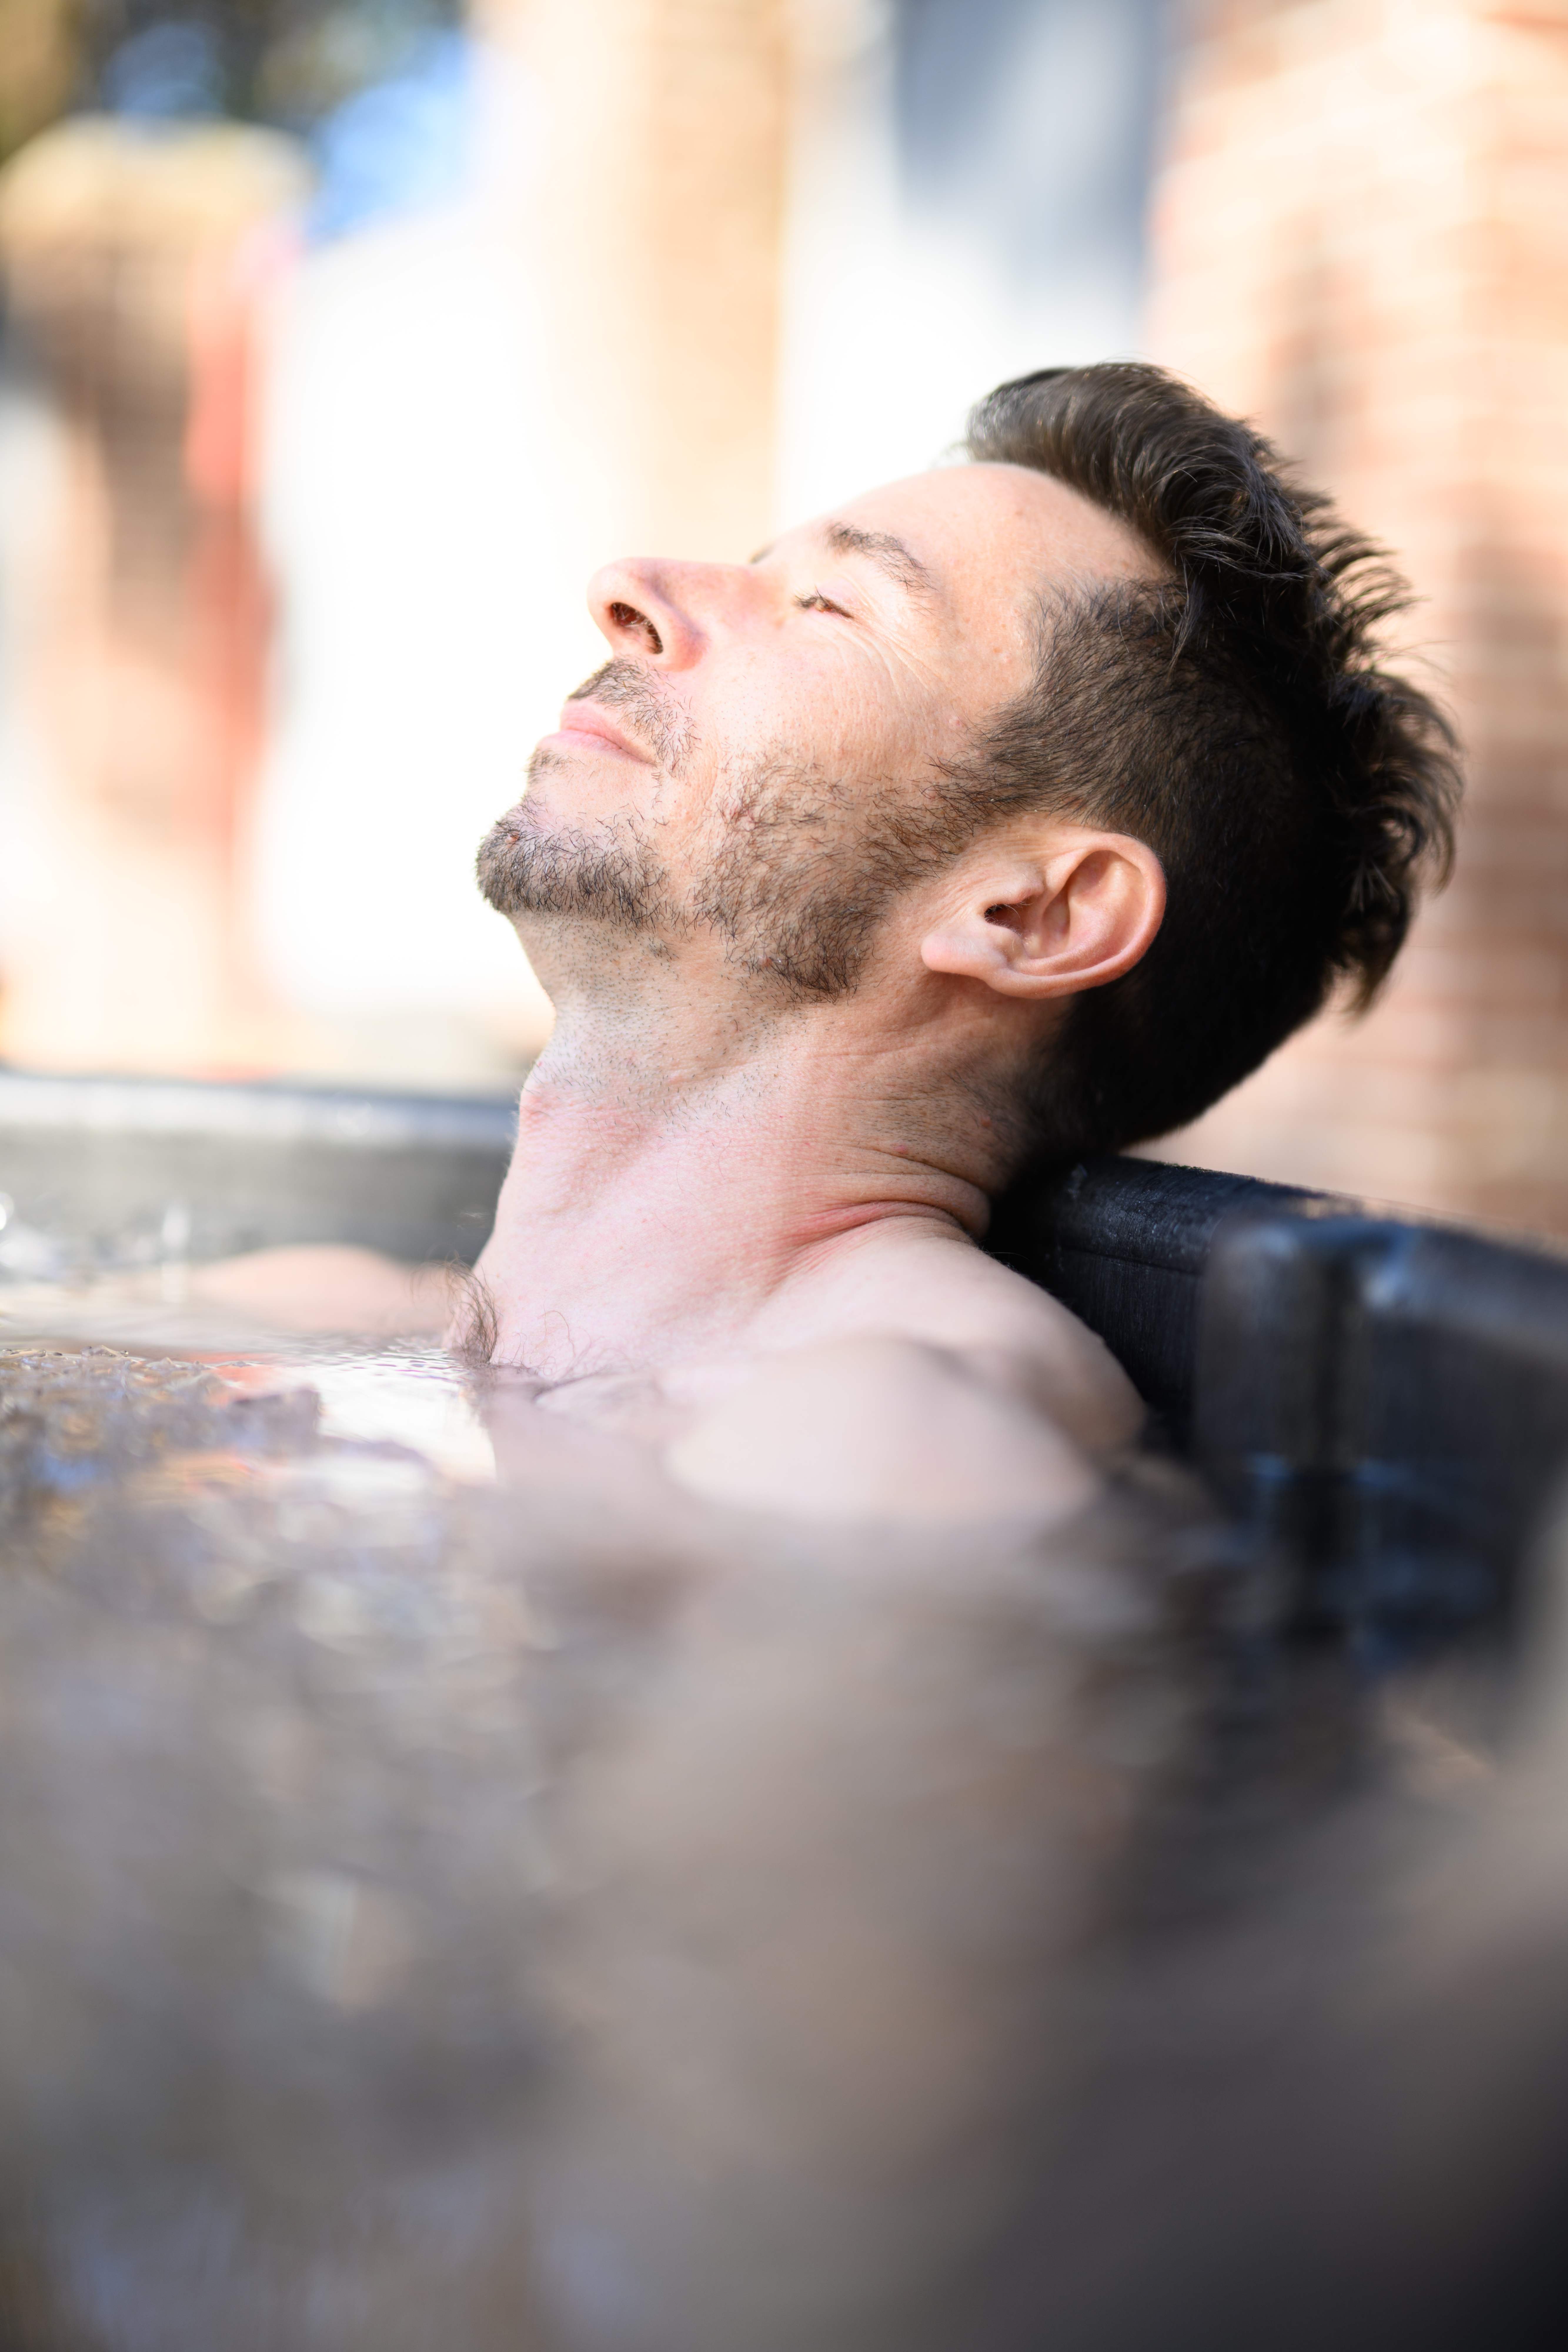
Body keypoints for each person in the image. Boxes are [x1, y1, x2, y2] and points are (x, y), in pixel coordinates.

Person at [460, 361, 1458, 1522]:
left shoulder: (902, 1450)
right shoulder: (361, 1326)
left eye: (828, 606)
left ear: (1030, 915)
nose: (625, 589)